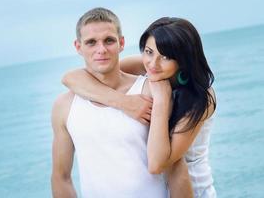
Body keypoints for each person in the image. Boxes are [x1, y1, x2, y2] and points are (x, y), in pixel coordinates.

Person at [62, 16, 217, 197]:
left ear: (183, 59)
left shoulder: (200, 98)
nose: (153, 63)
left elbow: (157, 163)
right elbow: (72, 78)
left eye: (166, 57)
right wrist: (125, 103)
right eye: (149, 51)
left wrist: (161, 99)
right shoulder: (150, 67)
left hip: (195, 191)